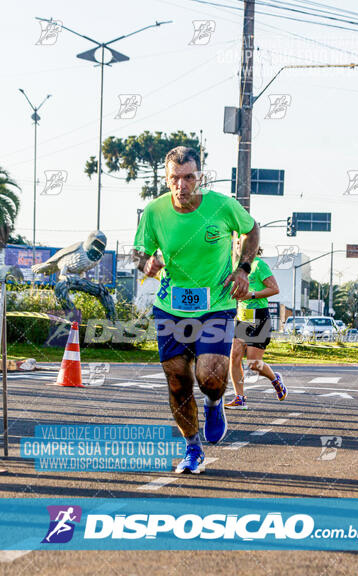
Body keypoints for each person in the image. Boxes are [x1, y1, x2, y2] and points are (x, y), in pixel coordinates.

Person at [133, 146, 259, 474]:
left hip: (215, 305)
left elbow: (252, 229)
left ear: (199, 177)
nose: (182, 185)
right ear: (166, 179)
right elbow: (138, 253)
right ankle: (192, 448)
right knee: (177, 381)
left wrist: (243, 269)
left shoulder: (222, 206)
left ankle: (215, 402)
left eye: (188, 177)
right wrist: (147, 262)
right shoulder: (155, 212)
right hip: (170, 307)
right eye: (175, 179)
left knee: (211, 376)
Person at [225, 244, 288, 410]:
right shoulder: (236, 267)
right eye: (237, 243)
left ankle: (275, 379)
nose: (238, 246)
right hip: (243, 316)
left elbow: (274, 289)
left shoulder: (259, 265)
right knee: (235, 356)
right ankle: (240, 398)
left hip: (259, 316)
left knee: (253, 363)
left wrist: (250, 294)